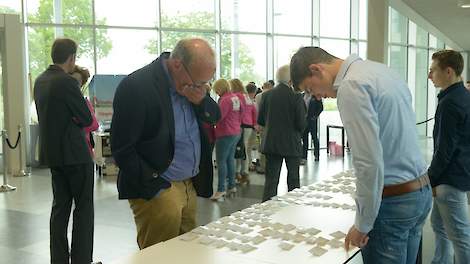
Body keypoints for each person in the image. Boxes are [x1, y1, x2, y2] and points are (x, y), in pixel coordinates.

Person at [290, 47, 431, 264]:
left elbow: (369, 162)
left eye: (310, 88)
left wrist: (362, 224)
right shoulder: (381, 71)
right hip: (419, 193)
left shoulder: (351, 86)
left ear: (316, 69)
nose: (317, 96)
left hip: (394, 202)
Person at [111, 38, 220, 249]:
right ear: (177, 64)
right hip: (159, 185)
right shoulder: (137, 86)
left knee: (187, 251)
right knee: (159, 255)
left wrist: (201, 100)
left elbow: (214, 116)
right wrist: (155, 184)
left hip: (189, 183)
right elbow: (122, 148)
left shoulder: (192, 87)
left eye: (203, 84)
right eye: (195, 82)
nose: (198, 87)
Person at [34, 38, 99, 264]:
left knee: (60, 208)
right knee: (83, 209)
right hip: (75, 155)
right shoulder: (66, 82)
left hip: (53, 154)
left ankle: (59, 259)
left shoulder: (40, 81)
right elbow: (85, 117)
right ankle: (81, 260)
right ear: (71, 58)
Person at [427, 50, 470, 264]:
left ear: (449, 72)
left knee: (461, 238)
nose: (429, 75)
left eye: (433, 70)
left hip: (449, 180)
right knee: (439, 226)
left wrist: (429, 180)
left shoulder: (450, 103)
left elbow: (445, 149)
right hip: (456, 175)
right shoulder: (463, 96)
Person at [258, 65, 306, 202]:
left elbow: (261, 120)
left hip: (271, 143)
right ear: (291, 79)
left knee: (271, 181)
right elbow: (301, 123)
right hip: (291, 143)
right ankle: (292, 208)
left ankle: (266, 210)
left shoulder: (266, 95)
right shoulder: (296, 97)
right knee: (293, 180)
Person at [211, 78, 242, 201]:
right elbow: (241, 114)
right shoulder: (235, 98)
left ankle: (220, 189)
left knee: (221, 161)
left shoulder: (224, 100)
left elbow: (219, 117)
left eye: (217, 89)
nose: (217, 92)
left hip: (225, 133)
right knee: (230, 159)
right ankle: (231, 186)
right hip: (235, 132)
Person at [231, 78, 256, 184]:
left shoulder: (236, 97)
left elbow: (237, 112)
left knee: (238, 149)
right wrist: (254, 123)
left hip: (240, 125)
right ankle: (244, 172)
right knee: (244, 148)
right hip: (249, 125)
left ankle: (238, 172)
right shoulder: (246, 97)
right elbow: (254, 111)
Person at [71, 65, 99, 157]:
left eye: (77, 83)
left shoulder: (84, 102)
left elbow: (94, 125)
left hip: (85, 150)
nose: (74, 86)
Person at [254, 81, 274, 174]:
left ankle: (263, 165)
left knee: (263, 144)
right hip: (272, 124)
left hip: (262, 123)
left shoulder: (259, 96)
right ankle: (269, 165)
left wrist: (258, 123)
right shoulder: (274, 95)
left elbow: (258, 110)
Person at [301, 91, 323, 164]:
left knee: (314, 138)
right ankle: (304, 157)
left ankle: (316, 155)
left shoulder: (315, 95)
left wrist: (315, 116)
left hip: (312, 121)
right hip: (304, 121)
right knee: (305, 139)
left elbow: (320, 107)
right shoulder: (302, 95)